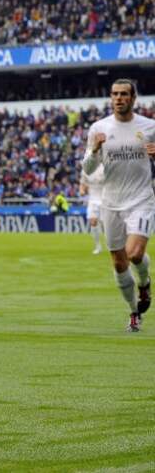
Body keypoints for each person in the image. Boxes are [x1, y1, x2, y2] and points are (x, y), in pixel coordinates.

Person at [81, 79, 155, 332]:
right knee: (119, 262)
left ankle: (144, 282)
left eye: (124, 94)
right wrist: (94, 150)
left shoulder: (149, 127)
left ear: (134, 98)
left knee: (134, 253)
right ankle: (134, 312)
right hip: (110, 202)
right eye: (114, 94)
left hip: (142, 199)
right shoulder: (99, 128)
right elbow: (88, 169)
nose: (119, 98)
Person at [79, 163, 105, 254]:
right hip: (93, 200)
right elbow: (83, 183)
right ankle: (98, 246)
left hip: (105, 199)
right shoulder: (86, 169)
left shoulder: (105, 167)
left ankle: (113, 245)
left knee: (105, 225)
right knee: (93, 222)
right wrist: (82, 191)